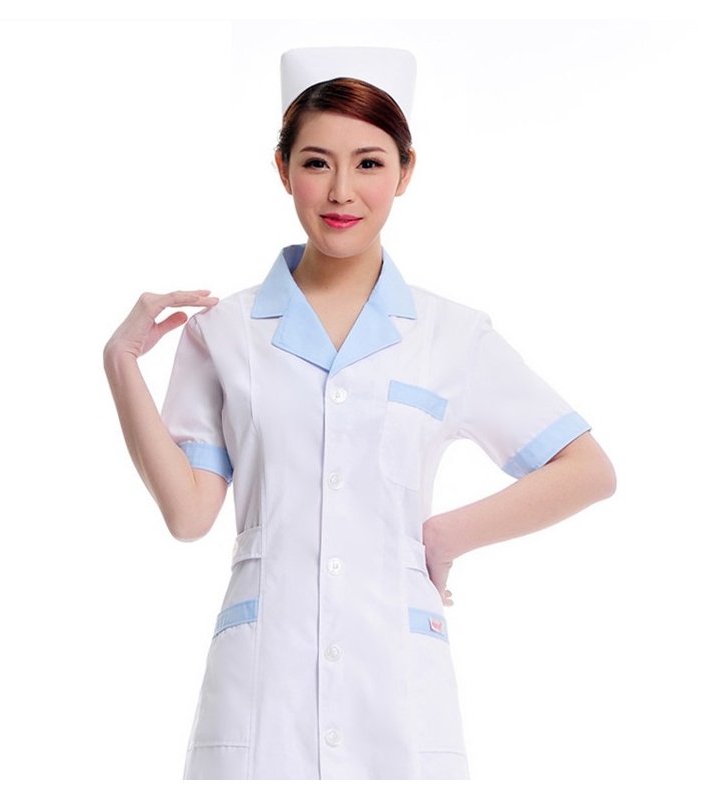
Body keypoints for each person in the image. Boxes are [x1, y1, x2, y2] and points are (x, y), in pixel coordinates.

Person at [103, 47, 616, 780]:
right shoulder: (224, 333)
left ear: (405, 171)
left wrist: (444, 535)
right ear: (282, 169)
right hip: (262, 691)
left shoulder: (452, 336)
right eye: (316, 163)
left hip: (398, 690)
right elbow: (189, 516)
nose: (341, 191)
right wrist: (121, 363)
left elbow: (587, 470)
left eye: (369, 163)